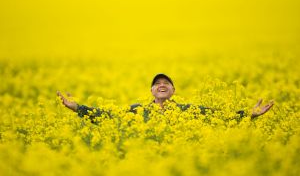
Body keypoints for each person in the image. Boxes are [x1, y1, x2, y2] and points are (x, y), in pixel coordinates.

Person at [57, 73, 274, 123]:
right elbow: (107, 117)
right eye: (157, 84)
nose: (161, 85)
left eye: (166, 83)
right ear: (151, 92)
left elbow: (221, 118)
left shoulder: (190, 111)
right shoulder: (136, 110)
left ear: (173, 91)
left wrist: (250, 114)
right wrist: (77, 107)